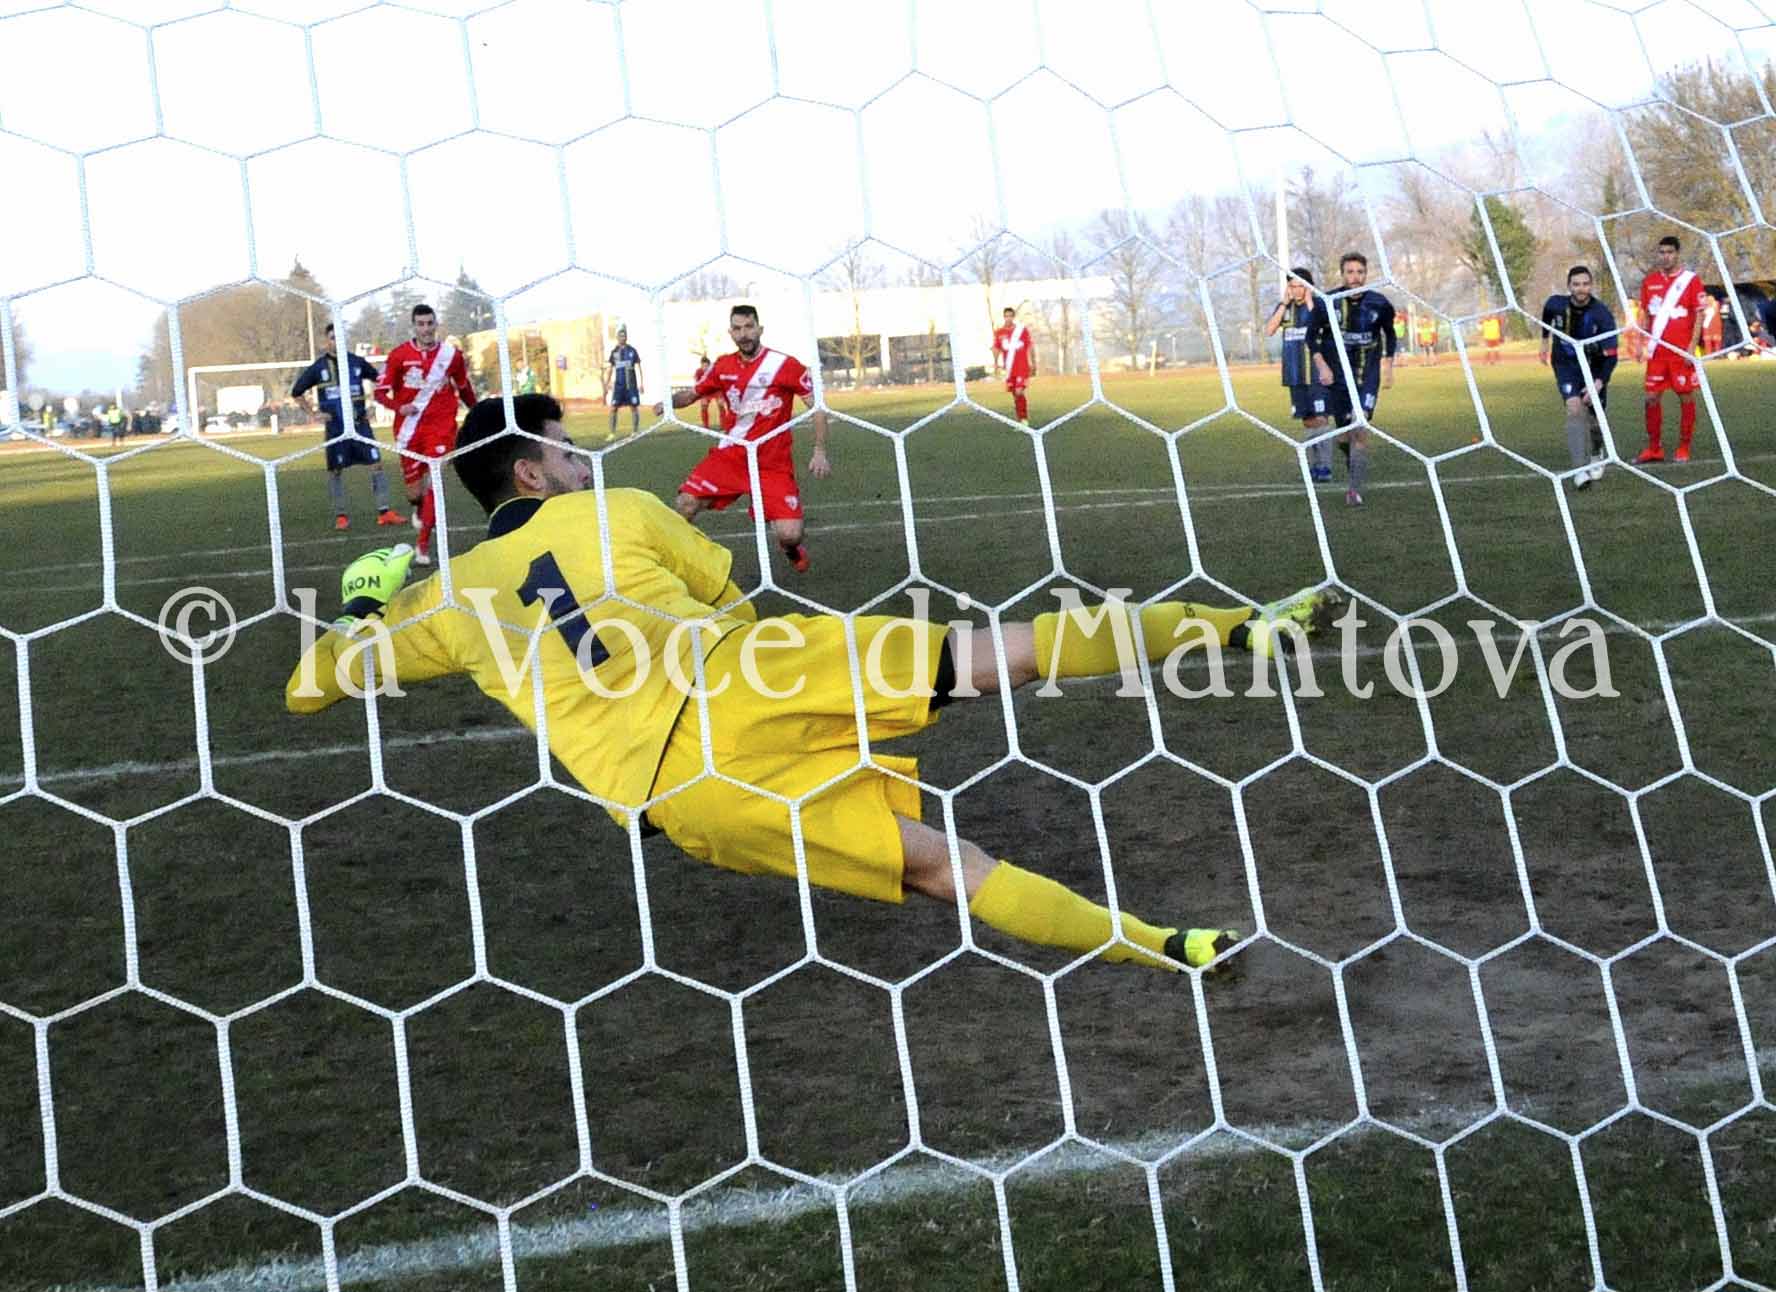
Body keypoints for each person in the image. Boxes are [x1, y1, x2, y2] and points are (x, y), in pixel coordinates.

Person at [286, 393, 1345, 976]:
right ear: (528, 473)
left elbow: (312, 683)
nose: (580, 464)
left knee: (942, 867)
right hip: (747, 678)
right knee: (1004, 652)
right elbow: (729, 599)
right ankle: (1238, 627)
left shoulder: (449, 601)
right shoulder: (623, 511)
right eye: (565, 454)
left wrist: (366, 603)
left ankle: (1164, 948)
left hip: (679, 792)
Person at [654, 304, 830, 574]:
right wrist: (668, 403)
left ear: (760, 329)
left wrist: (819, 450)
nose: (744, 334)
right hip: (732, 457)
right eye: (737, 329)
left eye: (749, 327)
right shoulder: (722, 366)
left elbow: (817, 407)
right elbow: (691, 395)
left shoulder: (784, 365)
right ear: (731, 333)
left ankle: (790, 549)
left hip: (772, 464)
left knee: (791, 534)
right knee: (685, 504)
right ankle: (679, 563)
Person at [374, 303, 477, 565]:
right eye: (421, 324)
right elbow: (379, 393)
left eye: (430, 323)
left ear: (436, 324)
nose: (426, 329)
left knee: (435, 483)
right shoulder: (398, 356)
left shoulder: (451, 356)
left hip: (441, 429)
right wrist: (399, 407)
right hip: (408, 431)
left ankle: (422, 545)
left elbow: (464, 387)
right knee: (414, 494)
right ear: (414, 327)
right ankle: (419, 508)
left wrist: (478, 411)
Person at [293, 323, 404, 531]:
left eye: (340, 337)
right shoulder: (319, 367)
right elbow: (296, 392)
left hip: (360, 425)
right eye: (333, 338)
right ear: (327, 341)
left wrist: (373, 405)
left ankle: (384, 512)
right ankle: (341, 516)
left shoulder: (357, 362)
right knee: (335, 471)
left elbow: (382, 381)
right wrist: (314, 414)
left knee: (377, 465)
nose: (337, 341)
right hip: (336, 428)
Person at [1538, 266, 1618, 492]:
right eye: (1576, 284)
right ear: (1569, 286)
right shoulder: (1556, 304)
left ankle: (1597, 452)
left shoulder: (1602, 315)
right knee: (1574, 409)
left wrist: (1599, 383)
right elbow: (1547, 314)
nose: (1581, 289)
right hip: (1566, 365)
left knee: (1594, 420)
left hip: (1594, 369)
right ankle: (1579, 470)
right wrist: (1544, 341)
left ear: (1591, 286)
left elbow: (1612, 356)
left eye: (1585, 284)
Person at [1326, 252, 1397, 508]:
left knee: (1360, 428)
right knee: (1343, 436)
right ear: (1342, 274)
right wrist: (1322, 365)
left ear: (1366, 274)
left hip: (1368, 376)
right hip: (1339, 379)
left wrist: (1388, 365)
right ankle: (1352, 462)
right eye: (1350, 272)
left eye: (1360, 272)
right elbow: (1314, 336)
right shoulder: (1330, 302)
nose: (1355, 277)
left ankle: (1354, 490)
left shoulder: (1379, 303)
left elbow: (1390, 334)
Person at [1634, 235, 1705, 464]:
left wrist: (1692, 346)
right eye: (1662, 252)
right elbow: (1645, 315)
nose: (1665, 257)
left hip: (1680, 353)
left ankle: (1684, 446)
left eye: (1670, 252)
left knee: (1686, 396)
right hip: (1657, 353)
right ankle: (1654, 448)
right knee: (1651, 398)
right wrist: (1640, 342)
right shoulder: (1650, 282)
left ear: (1677, 254)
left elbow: (1699, 315)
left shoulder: (1691, 281)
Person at [1262, 268, 1337, 482]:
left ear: (1308, 287)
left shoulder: (1319, 305)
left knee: (1321, 419)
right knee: (1308, 421)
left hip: (1317, 373)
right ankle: (1314, 466)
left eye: (1300, 286)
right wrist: (1283, 304)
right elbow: (1269, 330)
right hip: (1295, 374)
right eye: (1292, 286)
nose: (1295, 290)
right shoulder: (1286, 308)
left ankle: (1325, 466)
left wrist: (1311, 300)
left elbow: (1323, 326)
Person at [992, 306, 1036, 424]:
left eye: (1010, 316)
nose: (1008, 318)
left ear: (1013, 317)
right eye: (1006, 316)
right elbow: (996, 348)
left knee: (1019, 391)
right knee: (1015, 394)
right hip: (1009, 368)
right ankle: (1021, 419)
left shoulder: (1021, 330)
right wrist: (996, 363)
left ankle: (1024, 419)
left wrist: (1032, 362)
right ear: (1004, 317)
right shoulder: (999, 332)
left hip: (1022, 366)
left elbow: (1029, 346)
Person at [604, 326, 643, 438]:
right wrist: (607, 383)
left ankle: (635, 431)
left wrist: (641, 383)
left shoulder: (632, 351)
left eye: (624, 336)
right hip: (619, 385)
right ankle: (612, 433)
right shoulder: (614, 352)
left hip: (631, 384)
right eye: (620, 336)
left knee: (633, 407)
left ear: (626, 337)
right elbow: (610, 369)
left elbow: (639, 367)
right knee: (613, 408)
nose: (623, 338)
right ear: (617, 338)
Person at [692, 353, 718, 429]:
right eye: (703, 366)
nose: (705, 368)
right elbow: (697, 382)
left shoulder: (714, 370)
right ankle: (705, 426)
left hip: (716, 390)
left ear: (709, 365)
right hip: (705, 391)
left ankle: (724, 426)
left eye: (706, 366)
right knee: (704, 405)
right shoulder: (698, 371)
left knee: (721, 404)